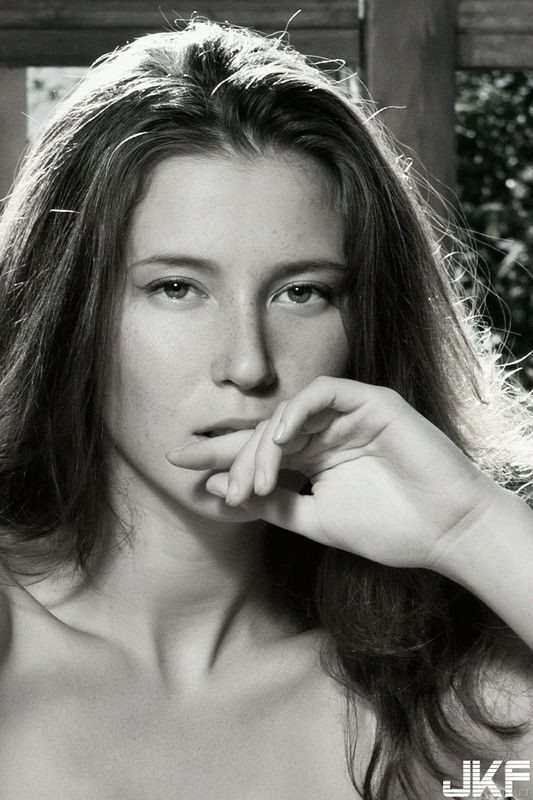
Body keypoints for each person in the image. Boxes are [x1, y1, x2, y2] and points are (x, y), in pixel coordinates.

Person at [0, 18, 531, 800]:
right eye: (176, 288)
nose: (248, 364)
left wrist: (472, 529)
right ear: (71, 309)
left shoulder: (459, 719)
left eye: (300, 292)